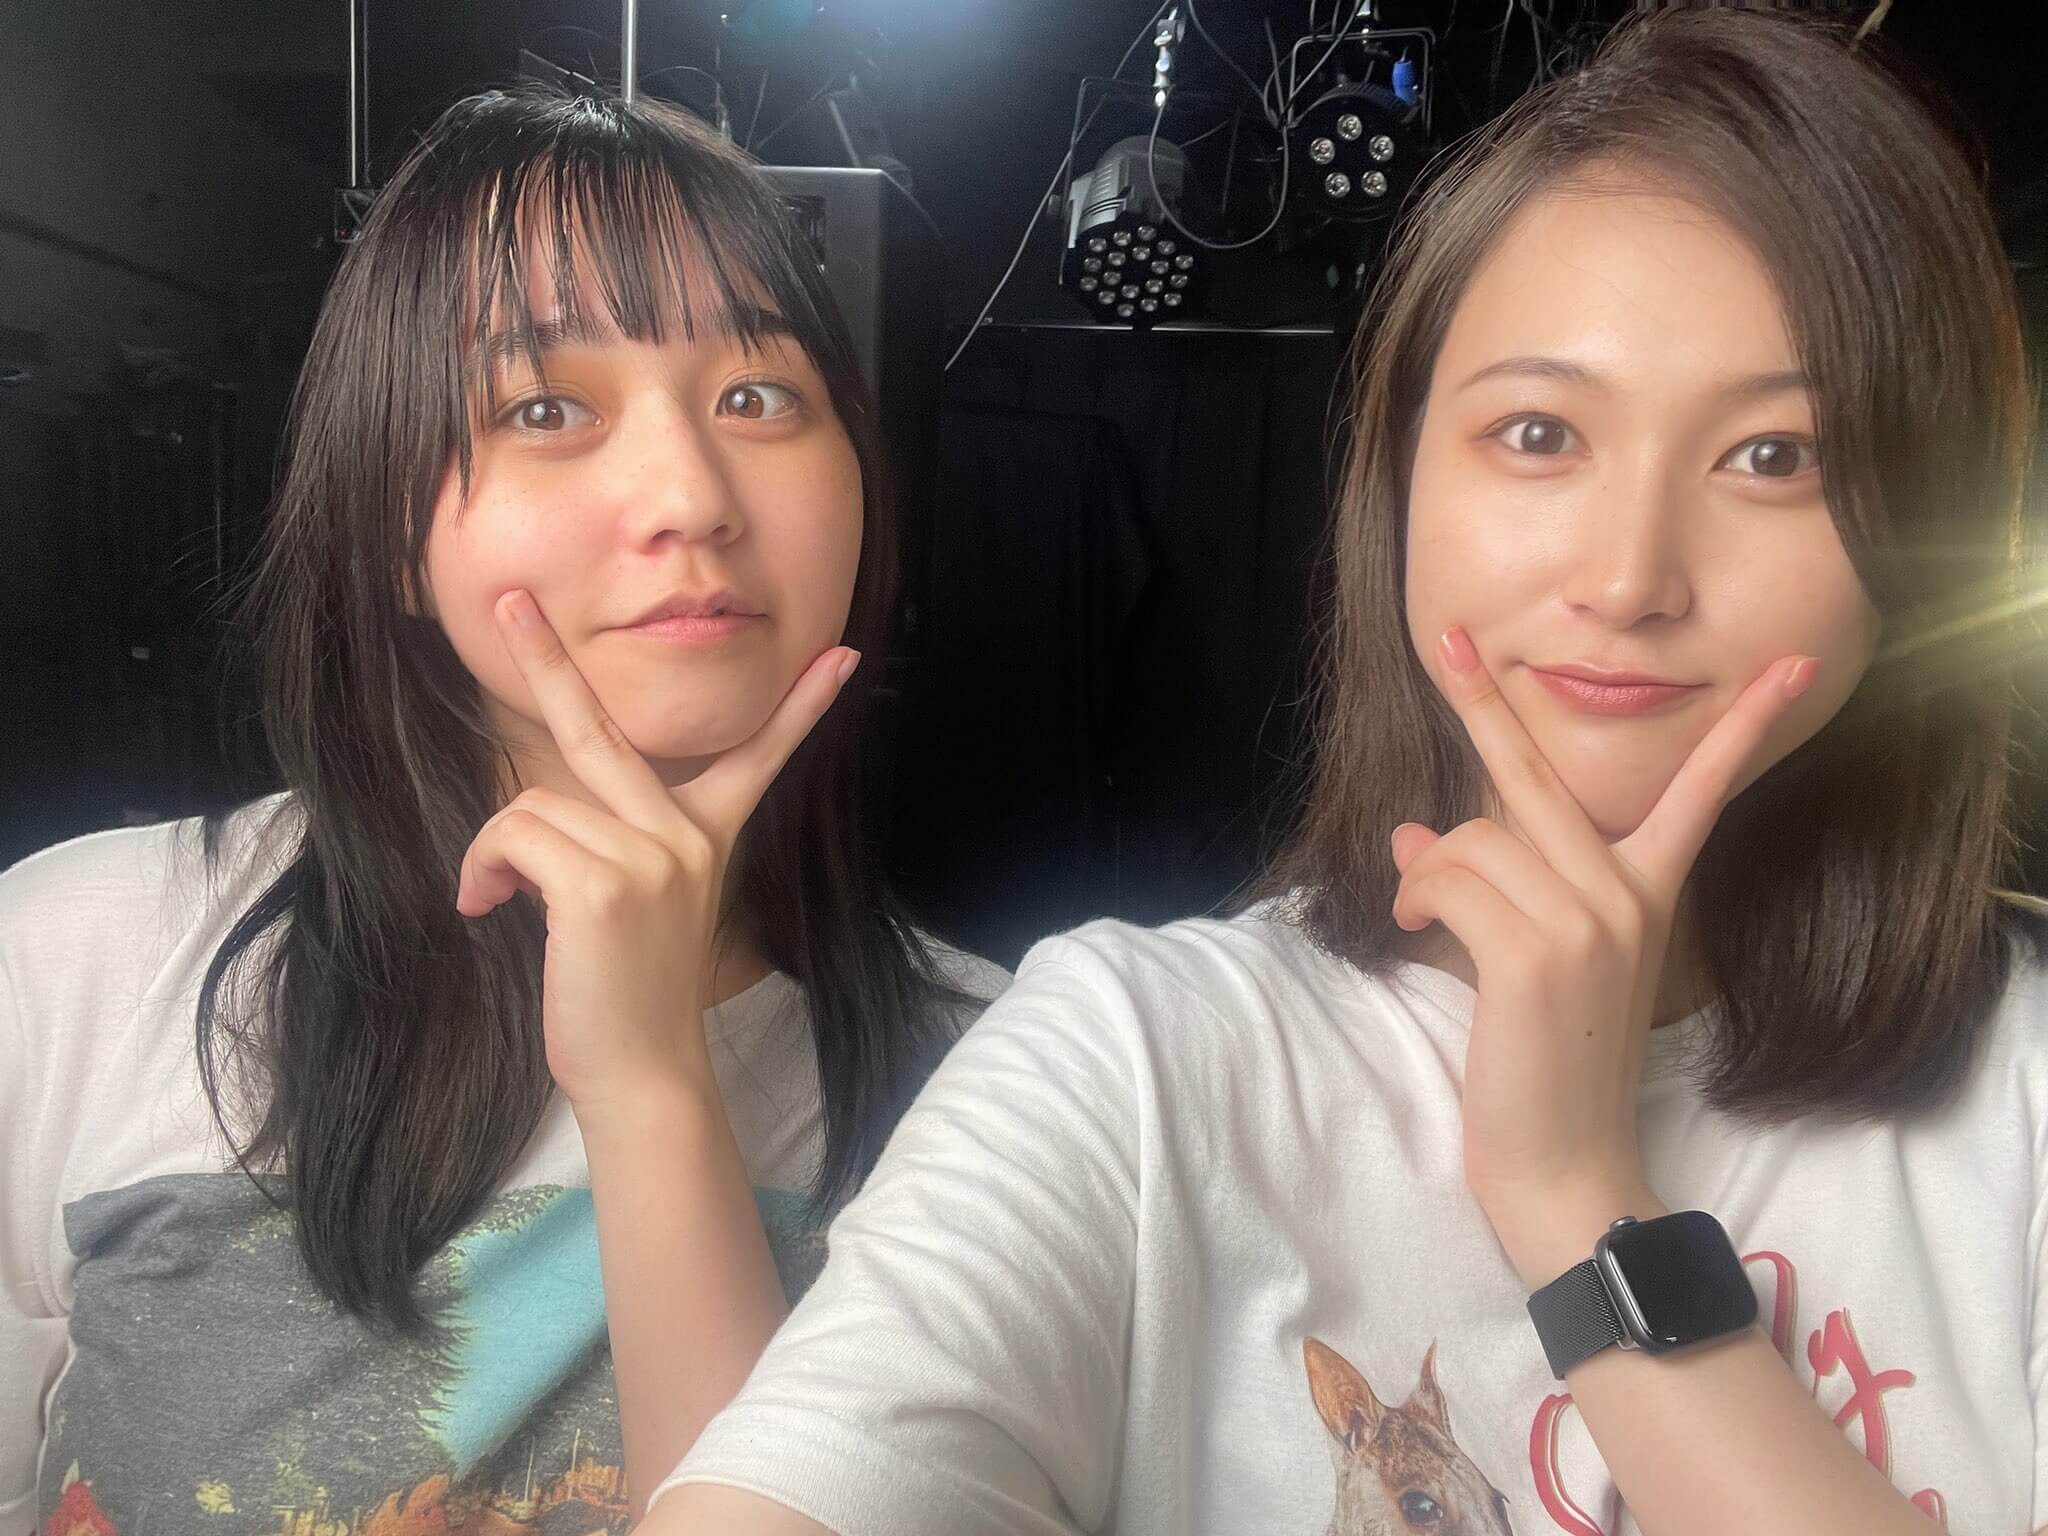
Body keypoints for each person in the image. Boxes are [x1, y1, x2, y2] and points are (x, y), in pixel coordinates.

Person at [640, 11, 2044, 1535]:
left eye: (1776, 456)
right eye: (1538, 433)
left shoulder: (2020, 1083)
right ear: (1400, 487)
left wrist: (1579, 1199)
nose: (1631, 579)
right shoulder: (1137, 1062)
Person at [0, 84, 1000, 1535]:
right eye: (545, 407)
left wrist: (650, 1083)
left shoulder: (1007, 1080)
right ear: (391, 535)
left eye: (759, 396)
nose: (689, 495)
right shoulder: (74, 957)